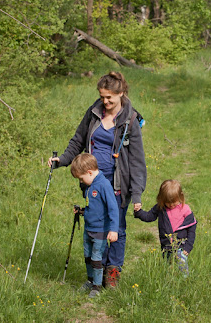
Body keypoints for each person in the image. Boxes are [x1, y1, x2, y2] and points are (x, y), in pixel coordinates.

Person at [49, 71, 147, 287]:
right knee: (96, 229)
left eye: (109, 97)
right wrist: (62, 160)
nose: (105, 101)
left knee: (117, 229)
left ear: (120, 93)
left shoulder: (130, 120)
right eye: (102, 96)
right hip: (92, 184)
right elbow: (78, 140)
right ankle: (96, 275)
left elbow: (137, 161)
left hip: (118, 185)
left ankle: (112, 274)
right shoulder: (94, 113)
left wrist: (137, 192)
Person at [70, 154, 118, 298]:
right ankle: (90, 280)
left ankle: (97, 286)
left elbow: (113, 209)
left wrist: (114, 229)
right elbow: (93, 207)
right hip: (88, 229)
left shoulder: (103, 185)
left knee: (96, 258)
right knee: (88, 256)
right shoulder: (90, 185)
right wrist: (82, 211)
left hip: (100, 231)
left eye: (81, 178)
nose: (81, 181)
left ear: (90, 172)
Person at [134, 179, 197, 276]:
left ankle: (185, 282)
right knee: (168, 267)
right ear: (161, 199)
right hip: (166, 246)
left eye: (174, 202)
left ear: (180, 197)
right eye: (168, 202)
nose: (171, 205)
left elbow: (192, 230)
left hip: (181, 245)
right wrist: (139, 212)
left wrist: (188, 246)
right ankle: (170, 283)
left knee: (182, 264)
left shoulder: (185, 210)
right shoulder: (160, 207)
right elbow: (149, 217)